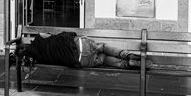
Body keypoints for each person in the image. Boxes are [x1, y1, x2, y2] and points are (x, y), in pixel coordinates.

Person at [16, 32, 152, 69]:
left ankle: (126, 64)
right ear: (26, 44)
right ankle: (127, 55)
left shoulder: (39, 58)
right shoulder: (39, 38)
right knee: (102, 47)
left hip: (80, 60)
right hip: (80, 45)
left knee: (102, 59)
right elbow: (52, 36)